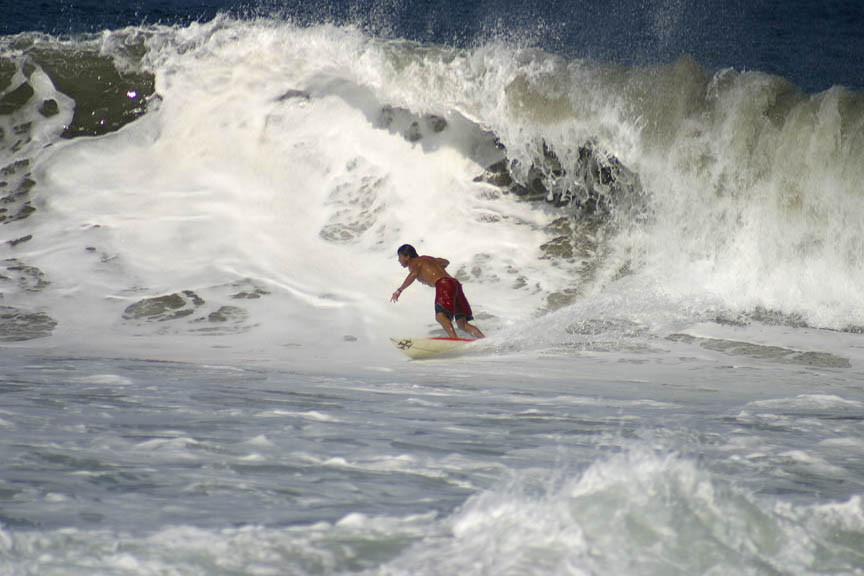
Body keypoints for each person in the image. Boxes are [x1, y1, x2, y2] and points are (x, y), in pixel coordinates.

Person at [390, 244, 485, 339]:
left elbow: (413, 275)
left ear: (407, 257)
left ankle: (455, 339)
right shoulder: (427, 259)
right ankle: (483, 339)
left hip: (443, 284)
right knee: (462, 324)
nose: (399, 260)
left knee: (440, 316)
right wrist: (434, 267)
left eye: (400, 257)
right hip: (455, 284)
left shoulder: (414, 263)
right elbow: (446, 262)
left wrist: (399, 290)